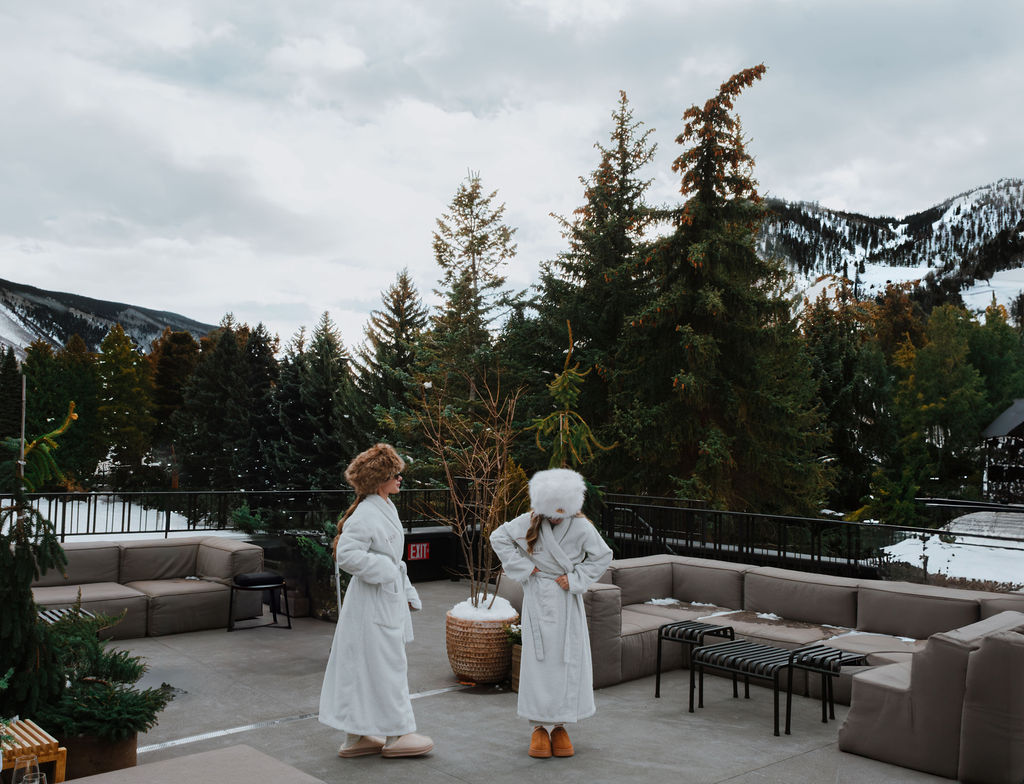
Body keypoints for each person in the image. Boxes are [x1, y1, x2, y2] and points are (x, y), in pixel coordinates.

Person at [318, 443, 434, 759]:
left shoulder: (383, 507)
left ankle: (356, 736)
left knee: (366, 666)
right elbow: (347, 554)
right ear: (378, 479)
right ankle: (397, 734)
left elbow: (391, 560)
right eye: (394, 474)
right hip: (371, 602)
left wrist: (404, 588)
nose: (400, 479)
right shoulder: (367, 513)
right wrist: (387, 572)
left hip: (380, 599)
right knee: (386, 666)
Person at [489, 467, 613, 759]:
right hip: (538, 598)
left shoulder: (581, 527)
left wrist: (576, 579)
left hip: (567, 601)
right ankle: (538, 728)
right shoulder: (529, 521)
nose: (557, 516)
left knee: (566, 662)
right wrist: (525, 569)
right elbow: (498, 538)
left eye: (562, 510)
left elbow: (602, 555)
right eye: (553, 510)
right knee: (538, 663)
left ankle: (560, 725)